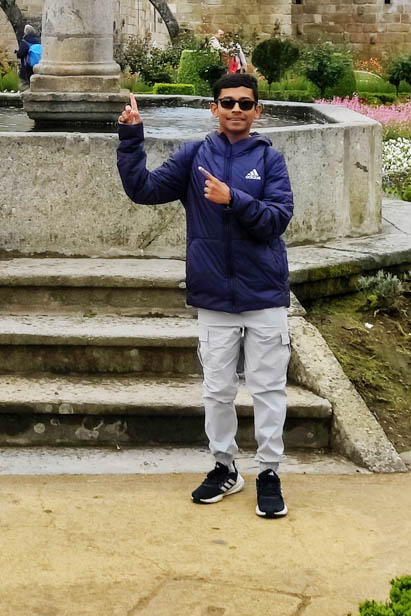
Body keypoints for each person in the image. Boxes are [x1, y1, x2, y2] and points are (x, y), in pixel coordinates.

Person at [117, 73, 294, 519]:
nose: (237, 110)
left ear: (258, 111)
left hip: (264, 294)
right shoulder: (195, 156)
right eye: (228, 102)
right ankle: (224, 466)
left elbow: (277, 219)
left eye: (245, 104)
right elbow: (144, 190)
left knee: (268, 388)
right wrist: (131, 136)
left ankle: (269, 472)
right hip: (214, 295)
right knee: (217, 389)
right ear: (213, 108)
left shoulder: (270, 161)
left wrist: (233, 198)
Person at [16, 24, 41, 88]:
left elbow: (20, 54)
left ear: (25, 32)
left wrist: (17, 53)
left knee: (24, 86)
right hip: (39, 67)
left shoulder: (25, 41)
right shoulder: (39, 40)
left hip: (27, 69)